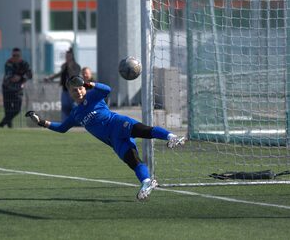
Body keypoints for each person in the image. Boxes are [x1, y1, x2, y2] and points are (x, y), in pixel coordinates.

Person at [26, 75, 185, 201]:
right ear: (70, 93)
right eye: (75, 90)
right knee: (134, 161)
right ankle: (147, 183)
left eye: (81, 88)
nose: (79, 92)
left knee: (145, 131)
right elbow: (62, 128)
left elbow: (107, 89)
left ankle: (171, 137)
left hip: (118, 124)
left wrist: (90, 84)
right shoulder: (76, 113)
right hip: (113, 141)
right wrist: (41, 122)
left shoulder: (93, 95)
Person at [0, 48, 32, 128]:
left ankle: (2, 123)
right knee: (7, 109)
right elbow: (11, 77)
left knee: (17, 109)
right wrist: (22, 77)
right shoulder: (8, 63)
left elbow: (30, 74)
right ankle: (9, 126)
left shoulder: (24, 63)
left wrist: (20, 77)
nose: (15, 57)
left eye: (17, 55)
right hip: (7, 88)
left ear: (20, 56)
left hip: (18, 89)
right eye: (14, 55)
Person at [44, 47, 81, 120]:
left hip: (73, 90)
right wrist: (50, 78)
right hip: (65, 89)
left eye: (69, 56)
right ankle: (65, 122)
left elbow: (75, 76)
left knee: (73, 106)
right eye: (66, 56)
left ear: (72, 57)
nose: (67, 58)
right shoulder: (64, 65)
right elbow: (60, 74)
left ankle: (76, 122)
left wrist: (70, 67)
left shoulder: (76, 66)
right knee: (64, 106)